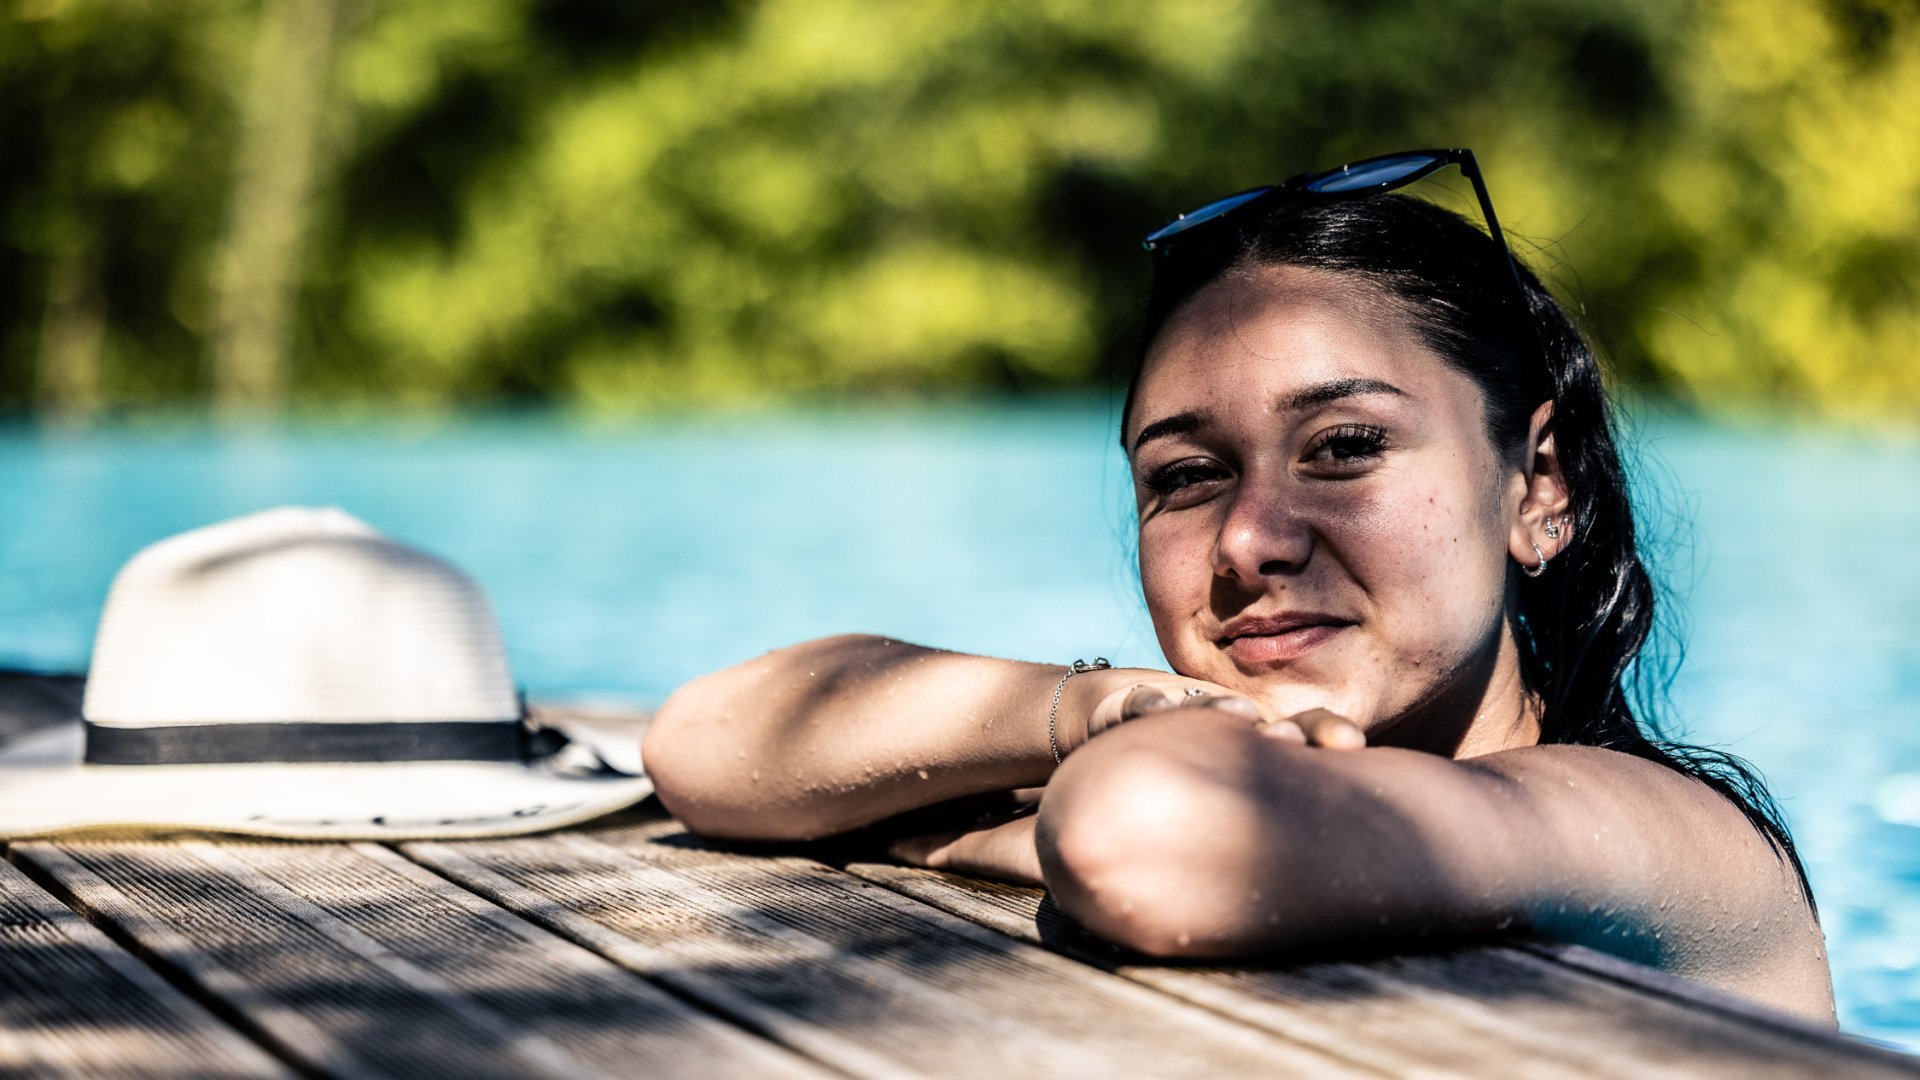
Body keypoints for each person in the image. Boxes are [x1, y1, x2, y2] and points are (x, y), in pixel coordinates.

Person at [642, 150, 1835, 1023]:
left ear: (1541, 488)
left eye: (1346, 447)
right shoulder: (1223, 756)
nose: (1250, 539)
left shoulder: (1662, 837)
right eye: (1187, 476)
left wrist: (1013, 833)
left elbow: (1143, 836)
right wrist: (1096, 708)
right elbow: (707, 739)